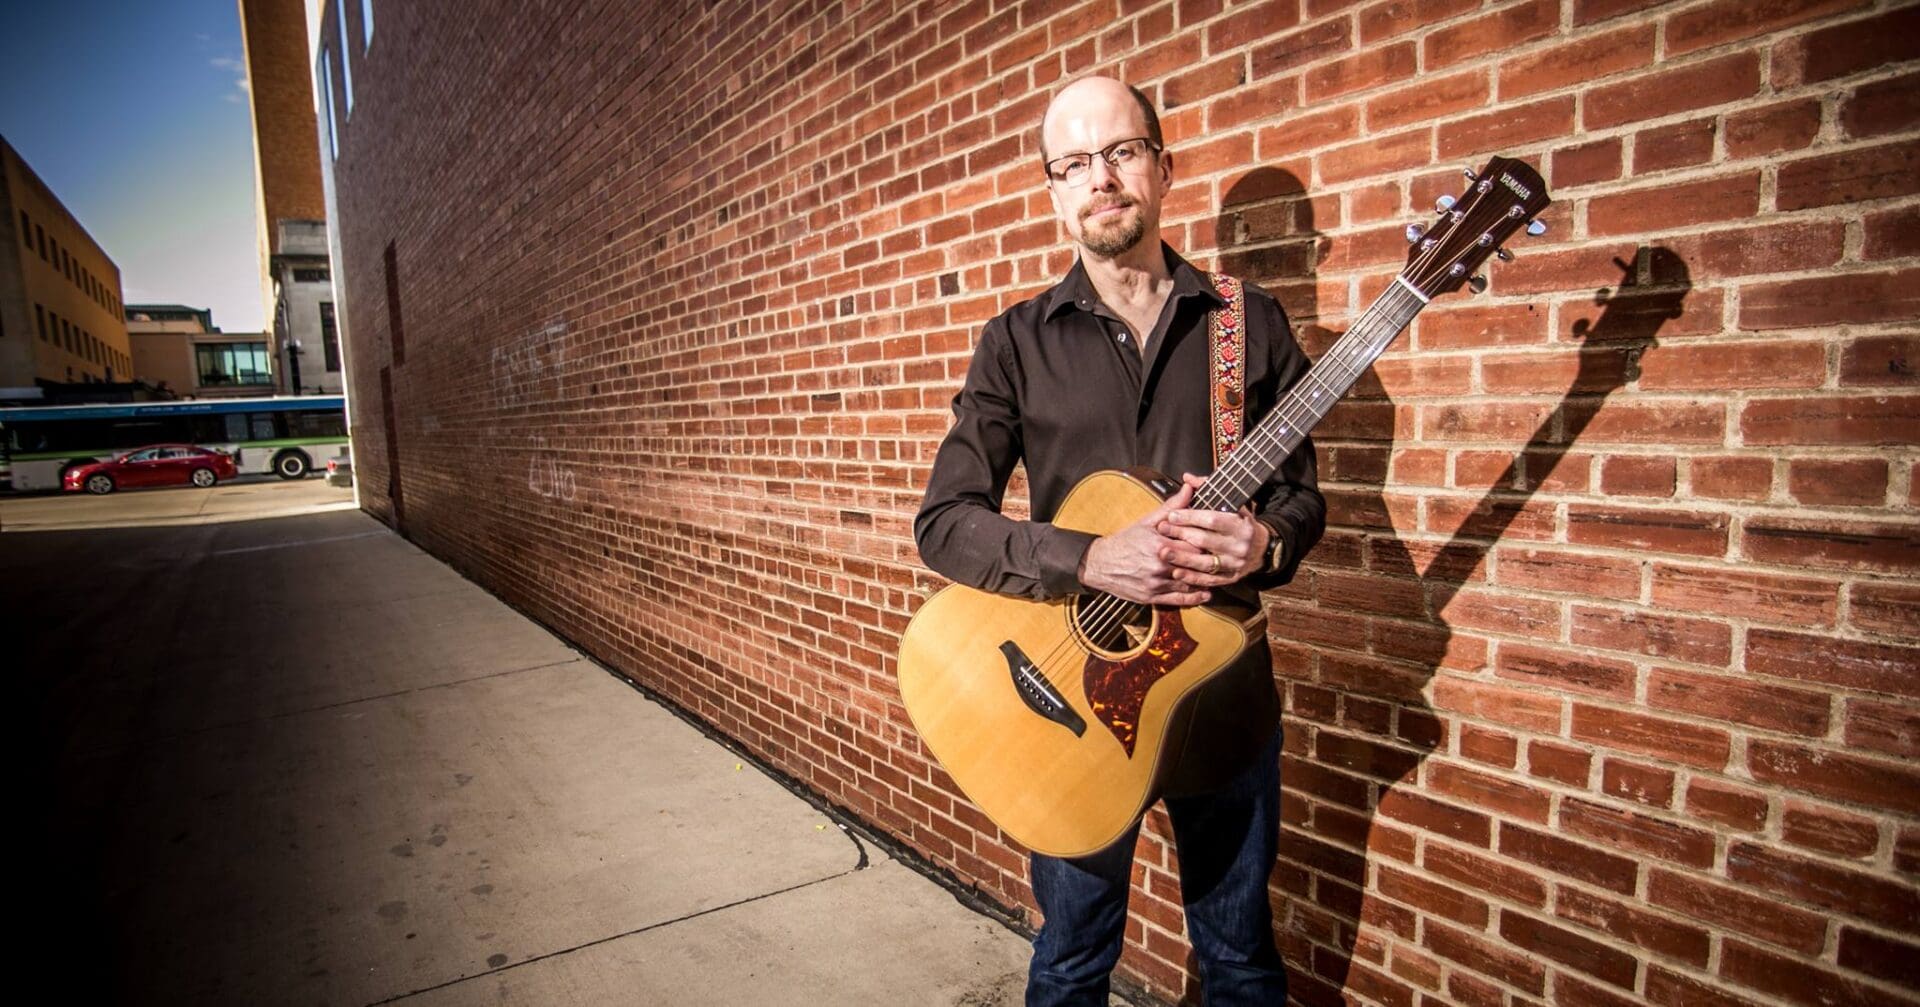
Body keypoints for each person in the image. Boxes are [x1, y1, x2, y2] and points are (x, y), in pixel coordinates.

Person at [913, 76, 1326, 1006]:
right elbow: (944, 524)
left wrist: (1264, 543)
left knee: (1242, 961)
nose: (1099, 178)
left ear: (1163, 167)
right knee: (1071, 959)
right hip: (1069, 706)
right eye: (1073, 163)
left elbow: (1304, 500)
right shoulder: (1014, 343)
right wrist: (1089, 557)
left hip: (1220, 697)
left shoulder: (1246, 323)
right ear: (1054, 190)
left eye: (1120, 152)